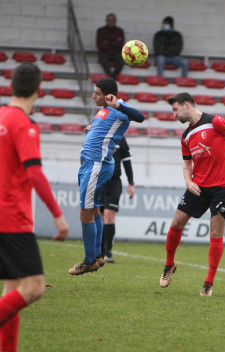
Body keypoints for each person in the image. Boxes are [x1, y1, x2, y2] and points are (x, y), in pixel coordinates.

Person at [0, 62, 69, 352]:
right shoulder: (24, 125)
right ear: (39, 90)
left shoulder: (1, 115)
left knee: (12, 289)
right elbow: (35, 173)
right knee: (34, 287)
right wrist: (58, 215)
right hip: (13, 216)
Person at [159, 92, 225, 296]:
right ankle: (169, 266)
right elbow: (187, 164)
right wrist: (188, 181)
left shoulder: (215, 122)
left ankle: (208, 283)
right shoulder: (185, 136)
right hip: (198, 186)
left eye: (175, 109)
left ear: (186, 105)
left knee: (215, 233)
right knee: (176, 223)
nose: (174, 114)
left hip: (222, 186)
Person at [69, 78, 144, 276]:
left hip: (96, 166)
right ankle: (98, 255)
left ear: (108, 95)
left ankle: (88, 260)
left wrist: (116, 103)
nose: (93, 96)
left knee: (85, 213)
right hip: (91, 165)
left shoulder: (118, 108)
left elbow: (140, 117)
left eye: (97, 93)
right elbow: (103, 128)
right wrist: (90, 127)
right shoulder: (104, 110)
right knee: (94, 211)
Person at [100, 136, 135, 263]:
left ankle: (108, 251)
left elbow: (127, 161)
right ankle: (100, 251)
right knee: (100, 217)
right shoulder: (97, 133)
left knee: (109, 215)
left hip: (114, 184)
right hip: (98, 182)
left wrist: (131, 183)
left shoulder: (120, 138)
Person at [96, 13, 125, 80]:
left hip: (116, 52)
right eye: (109, 20)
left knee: (121, 62)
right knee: (103, 61)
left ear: (115, 21)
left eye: (112, 20)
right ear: (106, 21)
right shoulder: (100, 30)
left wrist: (107, 42)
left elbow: (120, 44)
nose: (110, 22)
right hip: (104, 52)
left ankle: (112, 78)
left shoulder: (120, 31)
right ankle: (111, 78)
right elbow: (99, 45)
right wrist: (114, 42)